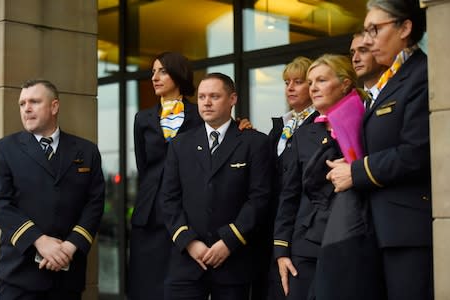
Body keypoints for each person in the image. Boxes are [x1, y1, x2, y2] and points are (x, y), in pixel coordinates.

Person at [326, 1, 433, 299]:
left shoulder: (421, 74)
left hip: (408, 232)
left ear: (405, 27)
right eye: (366, 30)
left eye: (375, 29)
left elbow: (416, 153)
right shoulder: (390, 81)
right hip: (378, 229)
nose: (369, 39)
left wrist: (355, 173)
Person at [128, 52, 252, 300]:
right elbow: (144, 166)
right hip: (150, 212)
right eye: (153, 72)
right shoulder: (142, 118)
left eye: (162, 71)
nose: (155, 77)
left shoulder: (200, 114)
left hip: (187, 213)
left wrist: (243, 126)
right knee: (147, 287)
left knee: (183, 285)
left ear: (178, 74)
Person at [0, 79, 105, 300]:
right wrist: (40, 241)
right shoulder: (4, 149)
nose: (27, 109)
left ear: (54, 106)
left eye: (34, 102)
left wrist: (70, 247)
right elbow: (0, 204)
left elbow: (95, 204)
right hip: (18, 276)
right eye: (22, 104)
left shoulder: (86, 151)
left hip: (67, 275)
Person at [160, 73, 271, 300]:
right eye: (201, 97)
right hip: (187, 262)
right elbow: (168, 199)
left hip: (234, 260)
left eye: (214, 96)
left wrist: (229, 241)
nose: (206, 102)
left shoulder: (256, 143)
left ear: (232, 99)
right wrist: (189, 242)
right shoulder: (180, 144)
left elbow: (260, 198)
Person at [273, 54, 362, 300]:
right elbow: (289, 194)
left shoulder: (365, 122)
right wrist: (281, 249)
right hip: (306, 242)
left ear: (345, 84)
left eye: (321, 80)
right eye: (310, 82)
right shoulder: (304, 133)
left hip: (351, 238)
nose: (313, 88)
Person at [264, 56, 317, 300]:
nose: (290, 88)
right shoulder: (281, 126)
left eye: (298, 81)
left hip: (304, 226)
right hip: (277, 224)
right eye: (287, 82)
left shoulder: (320, 123)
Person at [350, 31, 387, 101]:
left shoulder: (399, 91)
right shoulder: (353, 102)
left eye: (363, 51)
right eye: (353, 53)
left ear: (380, 54)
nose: (355, 59)